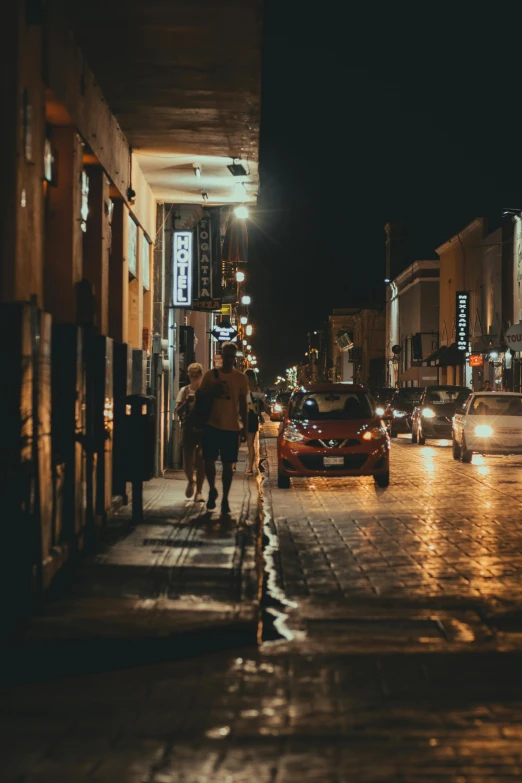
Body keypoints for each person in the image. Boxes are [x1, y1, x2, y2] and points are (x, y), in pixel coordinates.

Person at [200, 342, 248, 514]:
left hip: (231, 427)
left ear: (235, 357)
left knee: (228, 466)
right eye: (225, 355)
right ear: (221, 355)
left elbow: (243, 404)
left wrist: (245, 428)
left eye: (231, 356)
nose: (228, 359)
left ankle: (225, 499)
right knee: (209, 461)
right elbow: (201, 397)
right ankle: (212, 489)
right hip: (211, 425)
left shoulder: (241, 378)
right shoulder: (210, 376)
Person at [175, 363, 206, 502]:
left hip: (204, 428)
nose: (193, 378)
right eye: (191, 375)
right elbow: (178, 411)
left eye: (196, 375)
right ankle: (190, 480)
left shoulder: (205, 391)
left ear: (201, 375)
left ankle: (199, 491)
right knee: (187, 461)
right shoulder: (184, 391)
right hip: (188, 428)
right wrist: (186, 402)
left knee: (202, 459)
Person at [245, 369, 265, 474]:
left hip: (243, 417)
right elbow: (262, 402)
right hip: (252, 418)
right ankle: (249, 467)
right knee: (250, 444)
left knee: (236, 442)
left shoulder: (243, 389)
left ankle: (234, 465)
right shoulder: (257, 390)